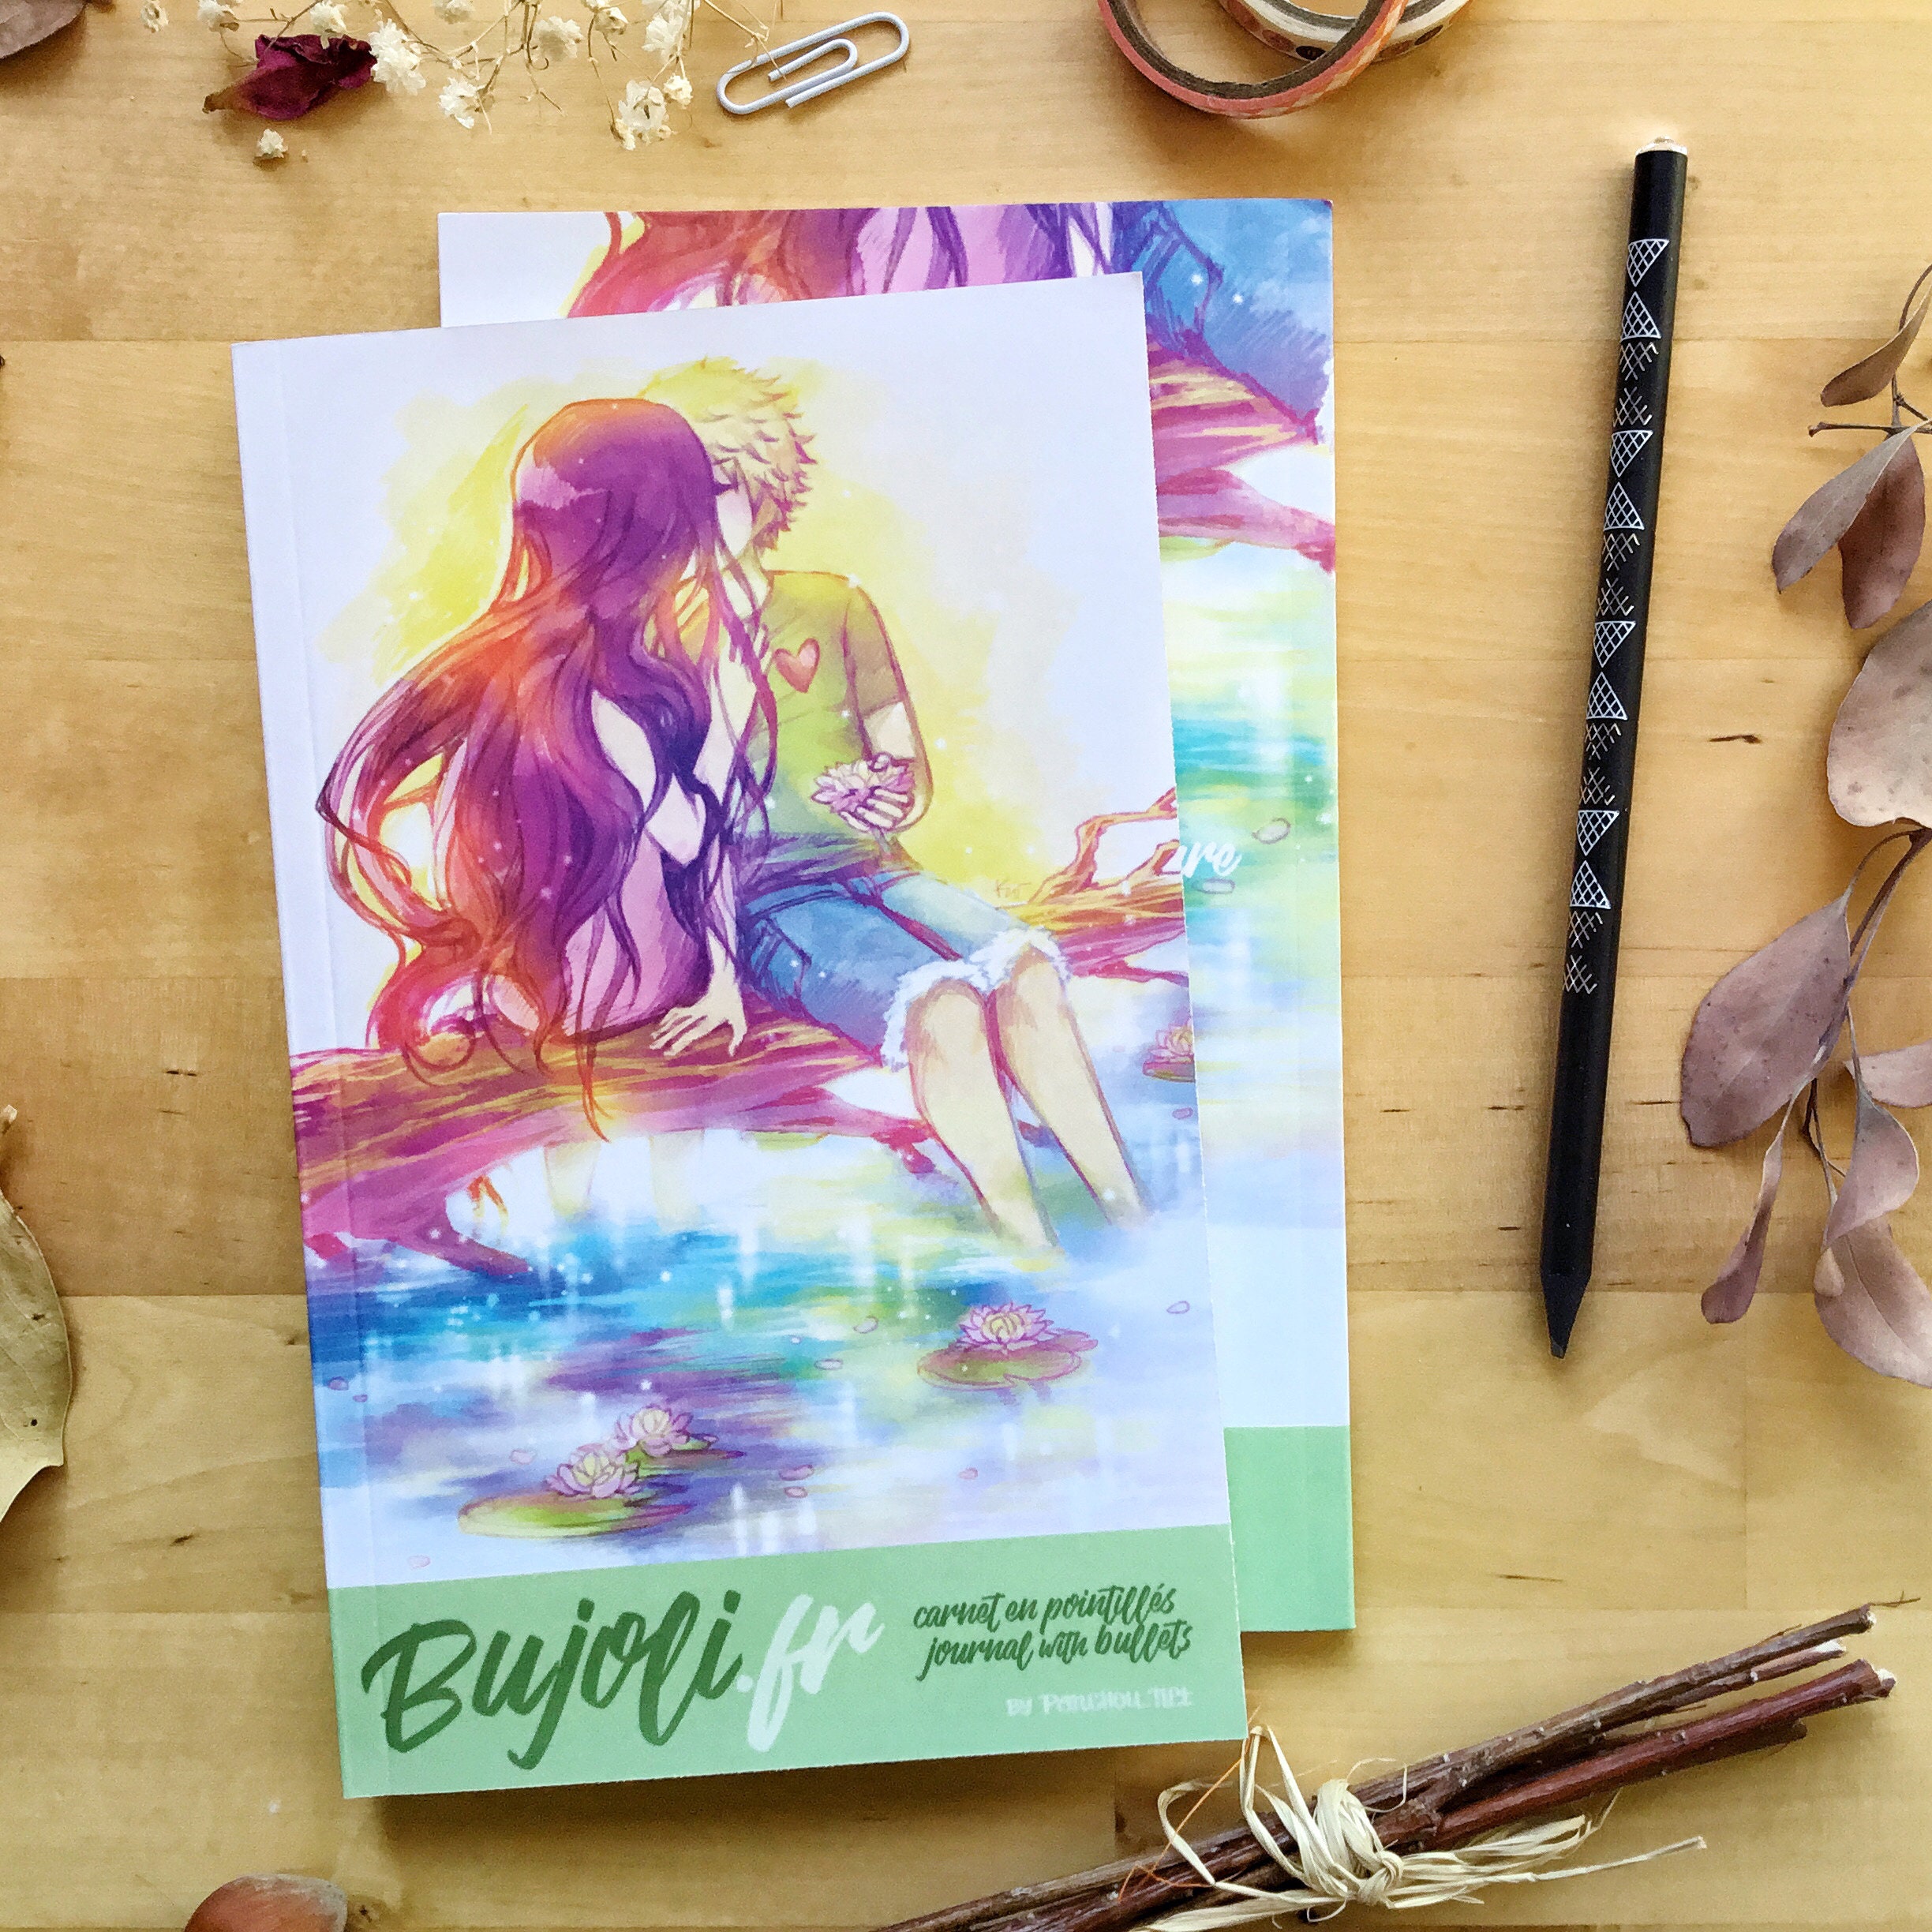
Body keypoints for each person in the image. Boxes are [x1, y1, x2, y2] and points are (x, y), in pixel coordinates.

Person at [320, 379, 1143, 1251]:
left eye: (723, 489)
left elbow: (898, 761)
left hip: (869, 864)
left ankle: (1132, 1215)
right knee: (941, 1006)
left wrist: (889, 789)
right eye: (692, 496)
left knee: (1030, 971)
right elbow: (684, 833)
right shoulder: (640, 639)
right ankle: (1029, 1243)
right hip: (757, 899)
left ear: (765, 491)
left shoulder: (828, 604)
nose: (707, 520)